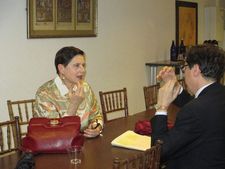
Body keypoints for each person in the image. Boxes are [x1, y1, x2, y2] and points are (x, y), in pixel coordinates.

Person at [151, 45, 225, 169]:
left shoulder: (195, 110)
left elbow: (158, 153)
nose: (183, 73)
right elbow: (200, 106)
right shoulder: (218, 95)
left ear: (195, 69)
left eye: (184, 68)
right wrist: (175, 87)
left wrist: (162, 108)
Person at [34, 46, 103, 138]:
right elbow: (54, 134)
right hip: (56, 149)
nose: (83, 70)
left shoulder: (85, 87)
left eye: (83, 65)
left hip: (82, 143)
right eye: (77, 65)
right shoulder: (44, 94)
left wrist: (96, 128)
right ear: (61, 68)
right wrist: (74, 105)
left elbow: (97, 115)